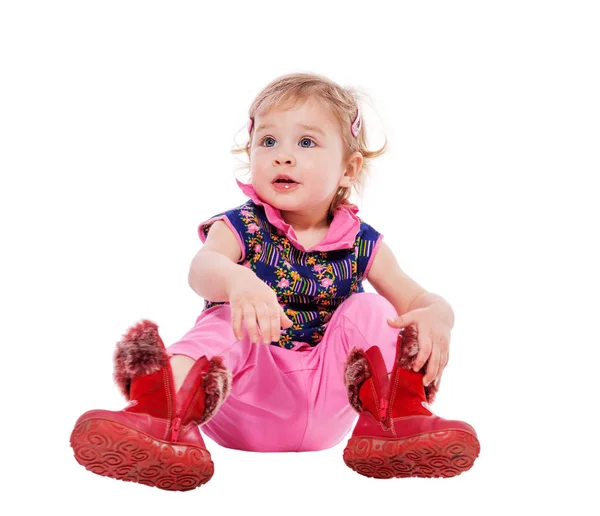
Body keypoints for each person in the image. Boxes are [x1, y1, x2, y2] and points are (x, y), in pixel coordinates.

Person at [70, 72, 480, 491]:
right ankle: (164, 413)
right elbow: (201, 268)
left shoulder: (363, 242)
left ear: (348, 169)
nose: (282, 156)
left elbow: (416, 298)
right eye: (268, 142)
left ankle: (396, 419)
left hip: (328, 403)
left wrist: (439, 314)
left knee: (373, 308)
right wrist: (235, 280)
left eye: (306, 143)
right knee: (228, 317)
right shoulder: (240, 226)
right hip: (245, 405)